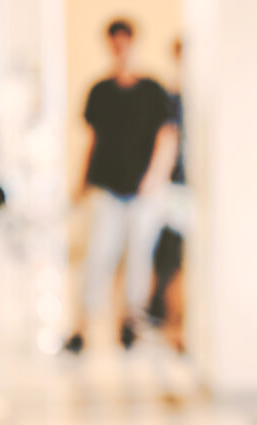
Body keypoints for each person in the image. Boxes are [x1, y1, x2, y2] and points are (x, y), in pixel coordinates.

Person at [65, 19, 177, 352]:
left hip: (144, 191)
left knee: (138, 257)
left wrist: (154, 178)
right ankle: (81, 325)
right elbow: (91, 140)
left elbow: (167, 137)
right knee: (99, 254)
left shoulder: (153, 91)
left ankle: (130, 321)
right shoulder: (99, 91)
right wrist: (80, 182)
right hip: (106, 186)